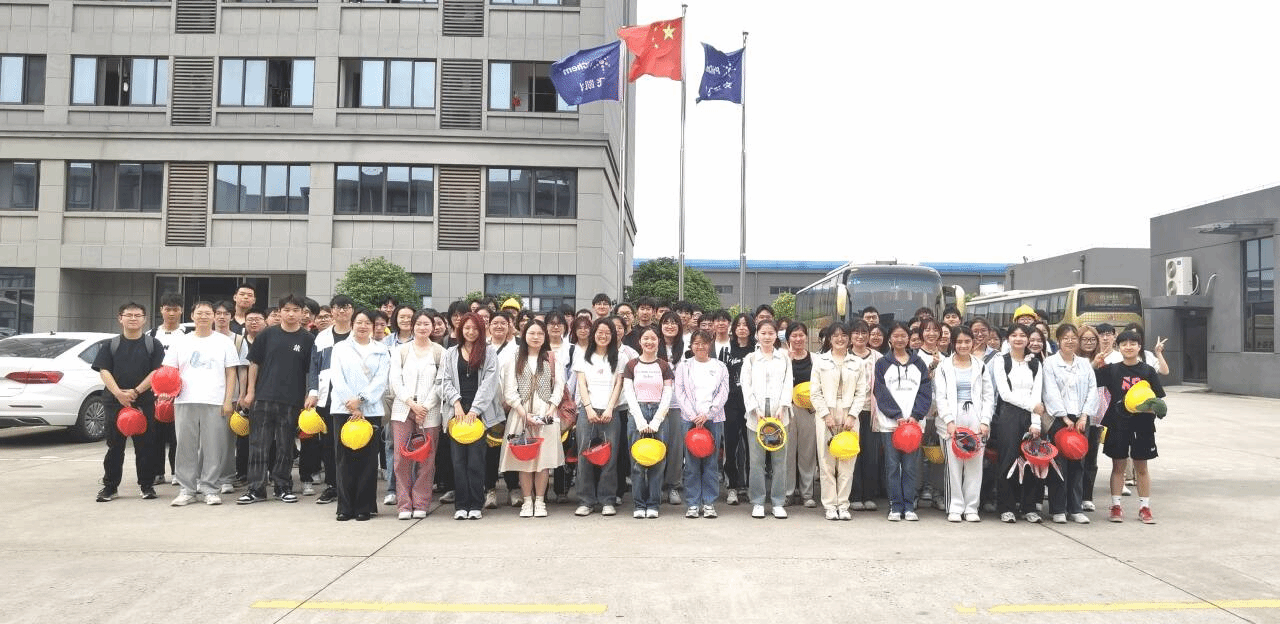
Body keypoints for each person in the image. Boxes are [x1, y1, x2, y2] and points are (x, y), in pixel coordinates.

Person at [238, 294, 315, 505]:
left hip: (292, 400)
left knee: (285, 446)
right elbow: (254, 364)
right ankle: (256, 488)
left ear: (302, 313)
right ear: (279, 312)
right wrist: (250, 392)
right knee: (258, 445)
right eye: (286, 310)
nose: (291, 314)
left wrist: (308, 395)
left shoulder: (308, 339)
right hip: (263, 397)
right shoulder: (267, 334)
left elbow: (310, 371)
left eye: (295, 310)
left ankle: (282, 486)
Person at [164, 301, 240, 507]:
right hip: (185, 400)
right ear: (192, 316)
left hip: (215, 401)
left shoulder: (224, 342)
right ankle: (187, 490)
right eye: (200, 313)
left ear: (213, 316)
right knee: (185, 447)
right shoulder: (181, 342)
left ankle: (210, 489)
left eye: (208, 313)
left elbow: (231, 372)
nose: (204, 316)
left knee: (214, 447)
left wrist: (228, 400)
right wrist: (166, 394)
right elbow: (169, 371)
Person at [93, 302, 165, 502]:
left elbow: (157, 371)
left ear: (145, 319)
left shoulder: (153, 345)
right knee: (114, 446)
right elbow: (104, 371)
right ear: (120, 318)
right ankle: (110, 487)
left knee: (145, 446)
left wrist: (136, 391)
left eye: (137, 315)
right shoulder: (110, 345)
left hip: (144, 401)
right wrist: (118, 393)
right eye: (129, 315)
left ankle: (147, 486)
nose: (133, 318)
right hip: (115, 402)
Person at [1096, 329, 1166, 524]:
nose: (1128, 347)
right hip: (1117, 423)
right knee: (1118, 466)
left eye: (1133, 344)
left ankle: (1145, 507)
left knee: (1141, 467)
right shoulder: (1111, 370)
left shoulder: (1148, 371)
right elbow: (1089, 380)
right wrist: (1096, 363)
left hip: (1143, 425)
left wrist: (1152, 409)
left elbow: (1158, 399)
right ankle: (1116, 506)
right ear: (1118, 347)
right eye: (1124, 344)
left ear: (1139, 347)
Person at [438, 313, 502, 520]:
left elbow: (490, 383)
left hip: (479, 413)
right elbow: (443, 381)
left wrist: (475, 410)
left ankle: (475, 504)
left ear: (481, 330)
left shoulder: (489, 352)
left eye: (475, 328)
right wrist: (456, 402)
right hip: (456, 412)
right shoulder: (450, 353)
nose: (471, 332)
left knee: (476, 461)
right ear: (460, 329)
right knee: (457, 461)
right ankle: (461, 505)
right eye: (467, 328)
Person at [499, 320, 566, 518]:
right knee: (524, 461)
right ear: (524, 335)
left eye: (540, 334)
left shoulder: (552, 358)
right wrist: (523, 414)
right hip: (521, 413)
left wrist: (551, 409)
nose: (536, 337)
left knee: (543, 462)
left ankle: (540, 501)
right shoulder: (514, 358)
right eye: (531, 333)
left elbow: (559, 386)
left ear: (545, 336)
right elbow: (509, 390)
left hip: (546, 413)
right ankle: (527, 501)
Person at [328, 309, 390, 521]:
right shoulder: (340, 348)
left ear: (374, 326)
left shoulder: (381, 350)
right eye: (359, 322)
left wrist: (361, 400)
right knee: (344, 459)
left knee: (368, 460)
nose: (363, 326)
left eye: (367, 323)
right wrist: (352, 405)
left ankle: (365, 506)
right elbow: (337, 377)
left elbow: (381, 380)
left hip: (370, 411)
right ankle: (345, 507)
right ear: (352, 324)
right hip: (343, 409)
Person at [874, 322, 933, 521]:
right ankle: (895, 506)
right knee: (892, 466)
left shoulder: (919, 363)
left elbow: (925, 392)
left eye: (903, 336)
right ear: (890, 339)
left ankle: (909, 506)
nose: (900, 339)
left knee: (910, 467)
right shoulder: (882, 364)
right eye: (896, 336)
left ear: (909, 338)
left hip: (913, 426)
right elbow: (880, 392)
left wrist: (915, 415)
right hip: (890, 425)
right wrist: (896, 415)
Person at [935, 325, 994, 522]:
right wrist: (949, 421)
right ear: (953, 343)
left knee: (974, 465)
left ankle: (971, 508)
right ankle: (955, 507)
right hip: (952, 417)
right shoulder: (944, 366)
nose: (963, 345)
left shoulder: (980, 366)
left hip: (975, 417)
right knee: (954, 465)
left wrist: (985, 421)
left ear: (973, 342)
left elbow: (988, 396)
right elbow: (941, 397)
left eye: (967, 341)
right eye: (959, 342)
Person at [389, 310, 444, 519]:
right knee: (401, 458)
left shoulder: (440, 352)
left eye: (426, 324)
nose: (422, 327)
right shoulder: (401, 351)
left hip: (429, 412)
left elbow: (440, 383)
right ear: (412, 326)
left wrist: (425, 407)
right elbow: (395, 380)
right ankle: (404, 504)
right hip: (403, 410)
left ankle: (421, 502)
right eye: (418, 323)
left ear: (433, 327)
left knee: (427, 459)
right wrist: (412, 404)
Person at [1042, 323, 1098, 524]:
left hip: (1081, 419)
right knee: (1059, 464)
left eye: (1073, 337)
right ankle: (1058, 508)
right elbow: (1050, 391)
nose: (1070, 341)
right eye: (1065, 338)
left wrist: (1084, 416)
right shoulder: (1050, 363)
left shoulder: (1084, 363)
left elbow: (1092, 389)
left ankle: (1075, 508)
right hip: (1059, 420)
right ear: (1058, 341)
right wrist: (1064, 417)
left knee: (1078, 463)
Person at [572, 319, 629, 517]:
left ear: (612, 336)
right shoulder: (582, 355)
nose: (603, 336)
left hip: (610, 412)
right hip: (587, 411)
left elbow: (619, 384)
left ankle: (607, 499)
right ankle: (586, 500)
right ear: (593, 333)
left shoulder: (620, 357)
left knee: (610, 457)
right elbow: (581, 384)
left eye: (607, 333)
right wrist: (588, 408)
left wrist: (610, 409)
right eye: (599, 332)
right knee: (584, 455)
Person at [809, 322, 865, 521]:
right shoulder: (820, 361)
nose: (840, 339)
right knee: (826, 463)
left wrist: (853, 415)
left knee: (847, 462)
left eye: (843, 335)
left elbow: (862, 392)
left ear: (849, 338)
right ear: (829, 339)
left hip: (849, 414)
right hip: (826, 414)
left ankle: (843, 504)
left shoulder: (857, 362)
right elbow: (814, 392)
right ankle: (830, 505)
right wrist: (826, 415)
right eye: (835, 336)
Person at [990, 324, 1045, 523]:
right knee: (1008, 460)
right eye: (1014, 335)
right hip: (1008, 416)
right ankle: (1006, 507)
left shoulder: (1035, 363)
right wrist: (1032, 406)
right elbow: (1005, 394)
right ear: (1008, 339)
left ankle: (1028, 507)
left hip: (1030, 416)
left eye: (1023, 335)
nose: (1018, 338)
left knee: (1031, 461)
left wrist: (1036, 423)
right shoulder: (1001, 361)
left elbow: (1037, 393)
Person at [673, 330, 730, 519]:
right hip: (689, 420)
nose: (700, 346)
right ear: (691, 345)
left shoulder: (720, 366)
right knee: (691, 463)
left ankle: (709, 503)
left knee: (711, 462)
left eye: (704, 343)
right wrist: (693, 415)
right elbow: (679, 392)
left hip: (713, 419)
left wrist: (708, 414)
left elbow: (723, 392)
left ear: (709, 345)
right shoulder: (684, 366)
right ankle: (692, 503)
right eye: (696, 343)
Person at [740, 320, 792, 519]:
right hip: (757, 415)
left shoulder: (784, 357)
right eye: (763, 333)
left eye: (771, 333)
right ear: (757, 335)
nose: (767, 336)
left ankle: (778, 502)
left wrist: (783, 406)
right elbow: (746, 385)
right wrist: (754, 409)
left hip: (780, 414)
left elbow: (788, 383)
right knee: (756, 461)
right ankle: (758, 501)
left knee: (780, 461)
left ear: (776, 335)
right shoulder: (751, 358)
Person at [305, 295, 354, 505]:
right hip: (327, 397)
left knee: (352, 442)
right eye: (337, 307)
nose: (342, 311)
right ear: (332, 311)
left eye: (346, 307)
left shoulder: (359, 334)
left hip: (352, 399)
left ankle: (351, 485)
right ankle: (333, 485)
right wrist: (312, 392)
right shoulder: (321, 337)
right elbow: (314, 366)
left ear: (352, 310)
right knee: (329, 444)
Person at [623, 326, 675, 519]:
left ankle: (653, 504)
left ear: (658, 342)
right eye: (645, 338)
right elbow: (629, 393)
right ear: (640, 342)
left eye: (653, 338)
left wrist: (656, 421)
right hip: (637, 412)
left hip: (659, 414)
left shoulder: (664, 366)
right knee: (637, 462)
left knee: (657, 461)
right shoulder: (631, 365)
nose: (649, 342)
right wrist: (639, 420)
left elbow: (667, 394)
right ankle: (639, 504)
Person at [148, 293, 188, 487]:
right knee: (156, 436)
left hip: (180, 392)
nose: (171, 313)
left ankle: (177, 472)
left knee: (176, 436)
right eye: (167, 309)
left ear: (181, 311)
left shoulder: (187, 335)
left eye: (175, 309)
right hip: (154, 393)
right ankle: (157, 472)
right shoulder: (151, 334)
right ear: (161, 310)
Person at [720, 313, 755, 505]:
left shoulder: (757, 350)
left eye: (745, 324)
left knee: (752, 448)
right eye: (738, 324)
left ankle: (750, 486)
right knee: (731, 447)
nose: (742, 328)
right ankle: (732, 487)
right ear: (733, 328)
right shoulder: (726, 350)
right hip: (730, 405)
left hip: (752, 406)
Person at [847, 320, 881, 512]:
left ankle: (869, 495)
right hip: (850, 413)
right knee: (852, 453)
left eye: (864, 333)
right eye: (856, 332)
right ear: (850, 336)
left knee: (870, 454)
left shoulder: (878, 357)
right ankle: (854, 495)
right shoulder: (845, 356)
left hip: (871, 412)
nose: (860, 336)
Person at [784, 322, 818, 508]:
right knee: (787, 453)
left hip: (808, 411)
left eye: (801, 335)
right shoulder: (782, 358)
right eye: (794, 335)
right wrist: (787, 360)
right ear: (788, 338)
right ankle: (787, 493)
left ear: (806, 337)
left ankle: (807, 494)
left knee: (807, 453)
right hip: (787, 409)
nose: (798, 339)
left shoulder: (815, 359)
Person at [656, 310, 687, 506]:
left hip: (678, 405)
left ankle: (673, 486)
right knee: (658, 445)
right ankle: (657, 485)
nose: (669, 326)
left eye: (673, 322)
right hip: (656, 404)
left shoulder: (686, 348)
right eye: (666, 322)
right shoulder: (653, 345)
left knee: (676, 448)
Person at [1075, 323, 1106, 511]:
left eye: (1092, 339)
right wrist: (1092, 365)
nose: (1089, 343)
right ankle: (1074, 496)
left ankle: (1087, 496)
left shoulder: (1103, 361)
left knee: (1091, 457)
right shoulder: (1073, 361)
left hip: (1095, 416)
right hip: (1076, 415)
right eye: (1085, 339)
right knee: (1075, 456)